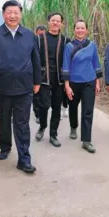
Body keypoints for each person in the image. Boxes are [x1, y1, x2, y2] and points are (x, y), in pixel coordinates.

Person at [0, 0, 41, 174]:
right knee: (4, 118)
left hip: (25, 87)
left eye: (16, 12)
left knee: (22, 122)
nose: (13, 15)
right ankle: (5, 146)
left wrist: (37, 81)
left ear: (20, 14)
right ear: (3, 14)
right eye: (9, 12)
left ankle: (24, 159)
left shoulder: (30, 35)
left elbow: (36, 60)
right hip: (3, 86)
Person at [62, 20, 102, 153]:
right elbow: (66, 65)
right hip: (73, 82)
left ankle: (86, 140)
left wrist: (97, 82)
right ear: (74, 30)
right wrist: (67, 86)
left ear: (86, 30)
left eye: (82, 28)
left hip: (89, 81)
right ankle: (73, 127)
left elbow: (96, 62)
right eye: (77, 28)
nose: (80, 30)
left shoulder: (92, 45)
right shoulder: (68, 46)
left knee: (87, 111)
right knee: (73, 107)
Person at [34, 13, 70, 147]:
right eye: (53, 20)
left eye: (58, 21)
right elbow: (33, 59)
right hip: (44, 78)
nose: (55, 23)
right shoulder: (38, 39)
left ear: (61, 24)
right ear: (48, 22)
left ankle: (53, 134)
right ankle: (42, 126)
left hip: (59, 80)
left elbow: (71, 59)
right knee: (43, 105)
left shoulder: (66, 40)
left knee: (56, 107)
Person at [33, 25, 46, 124]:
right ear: (36, 33)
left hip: (45, 73)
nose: (41, 36)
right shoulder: (33, 42)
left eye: (43, 34)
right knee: (36, 94)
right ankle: (37, 114)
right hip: (34, 72)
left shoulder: (46, 43)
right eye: (39, 34)